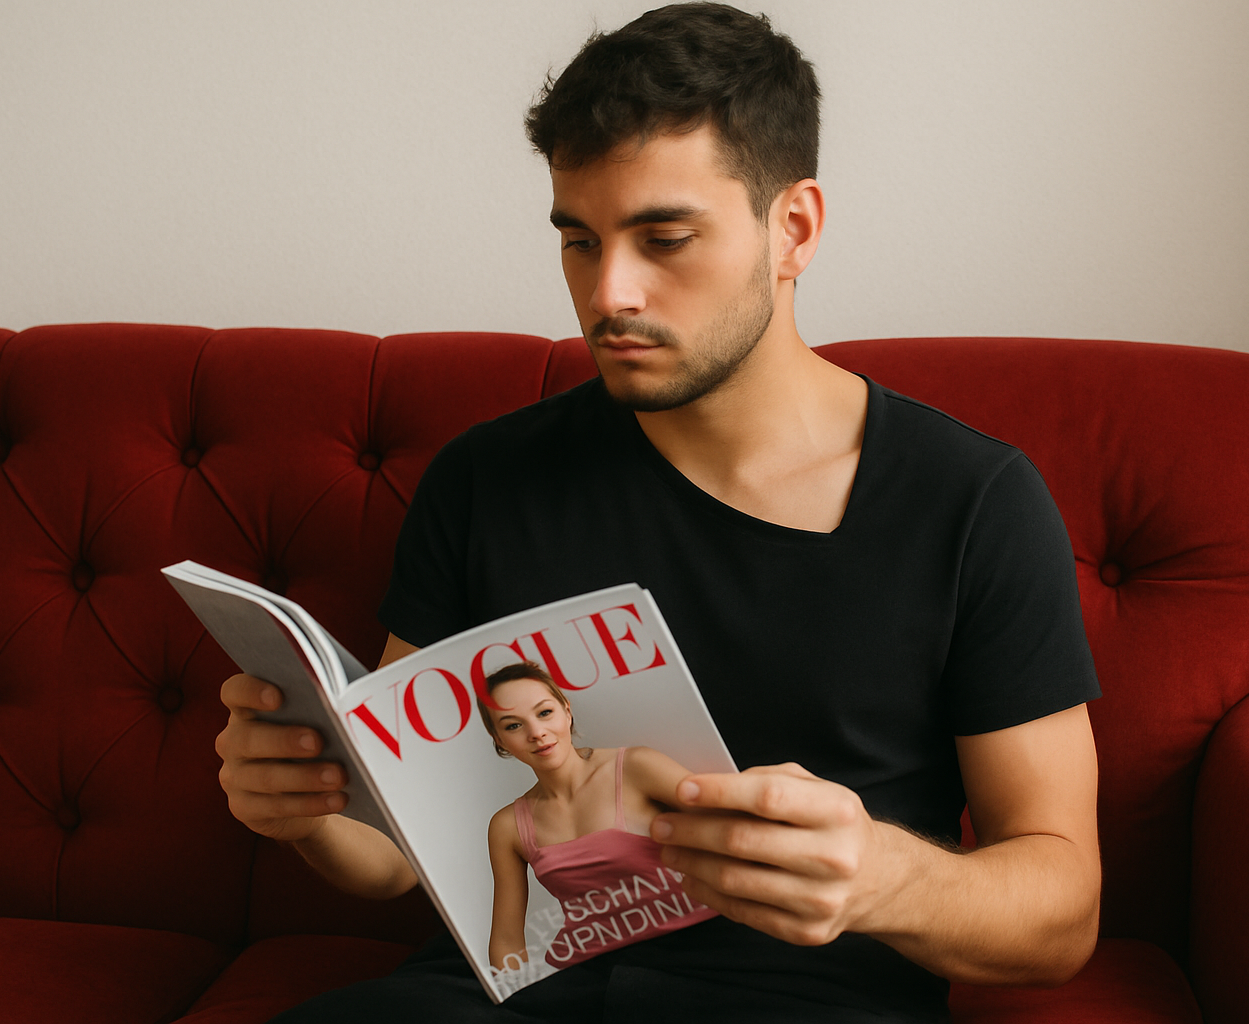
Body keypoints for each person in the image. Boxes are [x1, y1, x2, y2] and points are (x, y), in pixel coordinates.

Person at [215, 4, 1102, 1021]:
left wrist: (882, 876)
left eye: (663, 237)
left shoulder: (970, 502)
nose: (610, 293)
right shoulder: (483, 481)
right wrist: (304, 810)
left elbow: (1063, 912)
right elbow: (395, 856)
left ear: (794, 229)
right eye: (580, 241)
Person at [478, 662, 715, 973]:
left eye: (544, 712)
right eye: (513, 725)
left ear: (566, 710)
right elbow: (507, 942)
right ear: (499, 740)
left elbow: (732, 832)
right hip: (594, 971)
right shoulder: (506, 827)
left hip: (700, 947)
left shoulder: (636, 767)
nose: (537, 733)